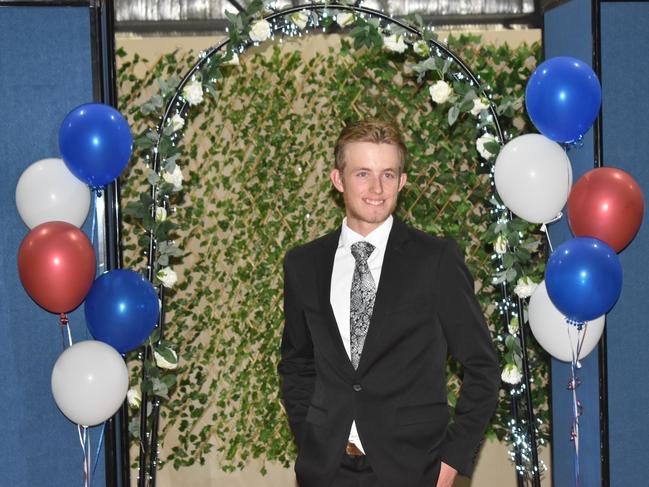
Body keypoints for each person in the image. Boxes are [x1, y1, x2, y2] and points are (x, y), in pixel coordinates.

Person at [278, 118, 500, 487]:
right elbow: (297, 362)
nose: (377, 188)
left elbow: (483, 365)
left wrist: (451, 463)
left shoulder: (436, 260)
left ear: (402, 181)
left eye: (388, 174)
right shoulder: (303, 264)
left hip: (414, 471)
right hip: (326, 470)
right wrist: (308, 441)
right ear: (338, 180)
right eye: (363, 173)